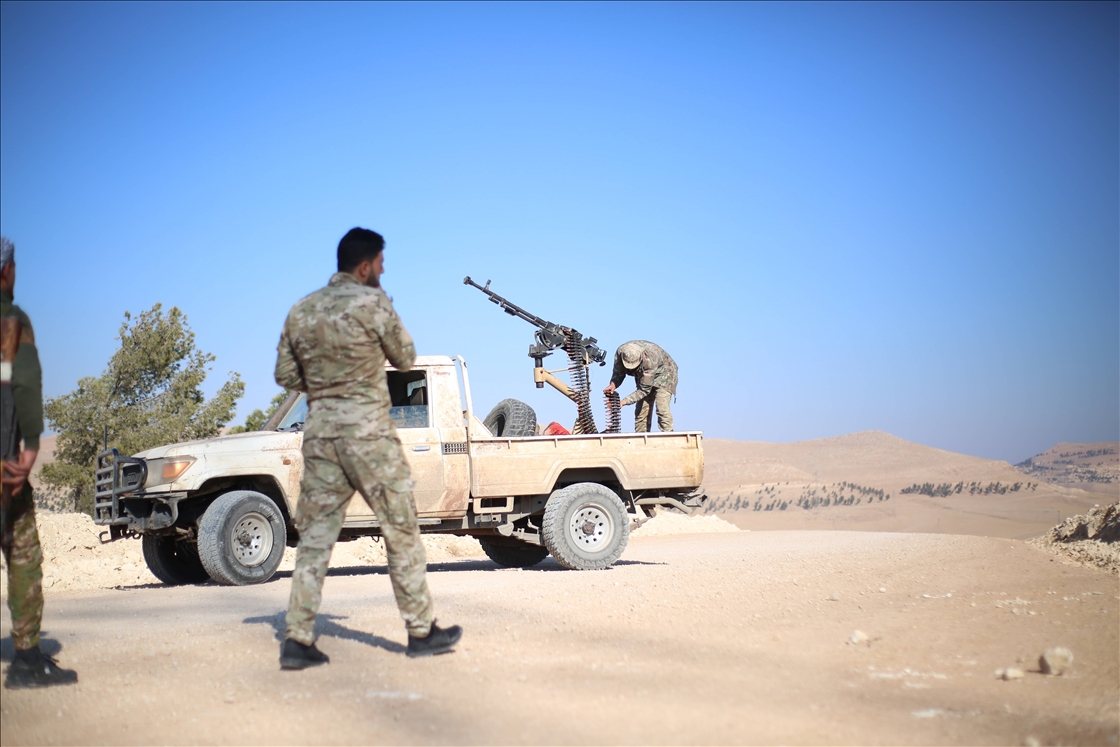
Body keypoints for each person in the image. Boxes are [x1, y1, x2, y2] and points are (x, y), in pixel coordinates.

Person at [274, 227, 461, 669]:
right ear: (364, 267)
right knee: (400, 528)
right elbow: (405, 358)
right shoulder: (374, 303)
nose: (383, 270)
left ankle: (297, 640)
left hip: (322, 435)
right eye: (380, 263)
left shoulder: (302, 309)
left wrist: (326, 385)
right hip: (369, 436)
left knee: (316, 537)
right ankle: (421, 632)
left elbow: (284, 374)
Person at [0, 237, 78, 689]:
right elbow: (25, 381)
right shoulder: (11, 319)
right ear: (6, 270)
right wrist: (31, 444)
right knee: (23, 555)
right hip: (5, 466)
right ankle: (27, 661)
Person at [603, 340, 678, 433]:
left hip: (665, 375)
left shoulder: (650, 359)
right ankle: (641, 437)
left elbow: (644, 391)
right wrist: (613, 384)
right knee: (642, 410)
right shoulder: (620, 353)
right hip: (644, 375)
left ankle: (668, 436)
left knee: (662, 408)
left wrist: (623, 402)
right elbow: (618, 373)